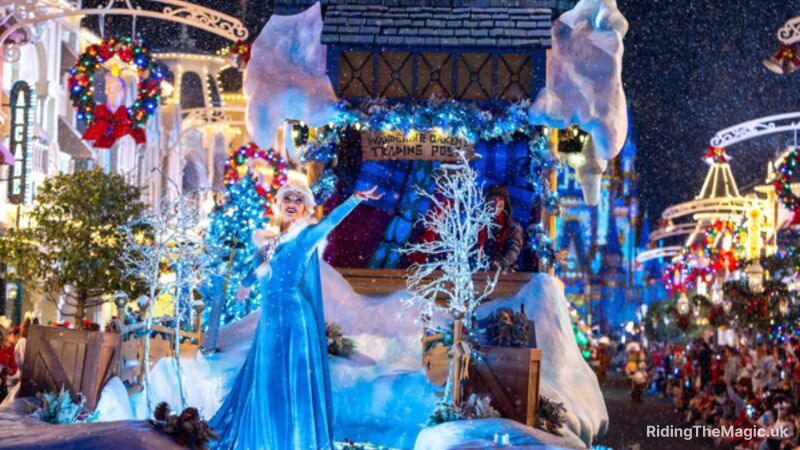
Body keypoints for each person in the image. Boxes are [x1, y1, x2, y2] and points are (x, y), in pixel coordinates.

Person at [210, 181, 382, 450]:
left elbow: (330, 222)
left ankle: (293, 439)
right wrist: (245, 284)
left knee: (293, 378)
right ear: (279, 205)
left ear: (305, 207)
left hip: (293, 316)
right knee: (268, 378)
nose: (291, 203)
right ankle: (271, 434)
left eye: (297, 200)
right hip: (270, 318)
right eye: (287, 198)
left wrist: (354, 199)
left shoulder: (305, 236)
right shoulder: (274, 242)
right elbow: (257, 264)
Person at [480, 185, 523, 272]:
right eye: (493, 199)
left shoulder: (513, 227)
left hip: (506, 274)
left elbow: (514, 250)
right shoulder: (478, 225)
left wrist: (500, 263)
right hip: (479, 272)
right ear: (486, 202)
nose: (497, 203)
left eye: (500, 199)